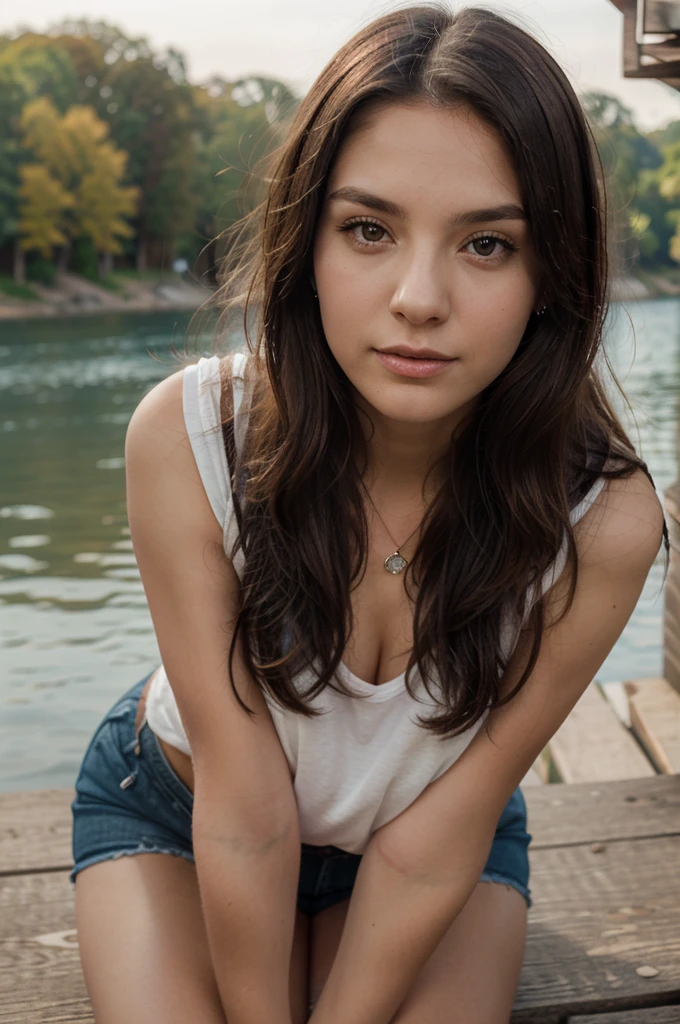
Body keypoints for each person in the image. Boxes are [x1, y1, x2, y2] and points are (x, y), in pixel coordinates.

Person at [69, 4, 668, 1023]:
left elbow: (439, 832)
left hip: (432, 833)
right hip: (178, 810)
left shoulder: (601, 521)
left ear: (548, 276)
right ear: (305, 242)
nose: (417, 296)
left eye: (484, 244)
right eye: (367, 230)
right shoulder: (188, 437)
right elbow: (246, 802)